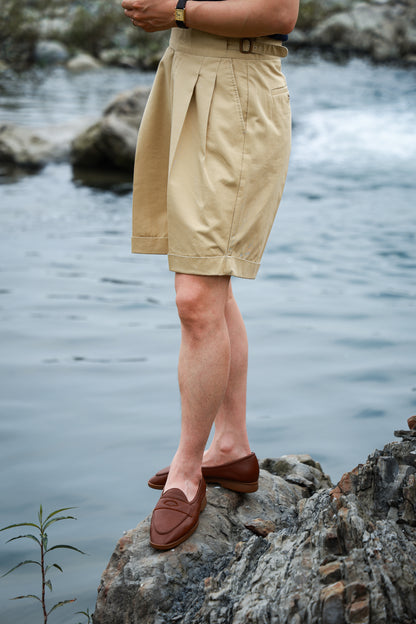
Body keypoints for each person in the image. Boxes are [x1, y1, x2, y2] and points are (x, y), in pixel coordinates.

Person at [121, 0, 299, 550]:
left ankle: (187, 469)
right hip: (183, 77)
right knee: (210, 289)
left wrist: (176, 12)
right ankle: (233, 447)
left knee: (196, 295)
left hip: (236, 89)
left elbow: (279, 10)